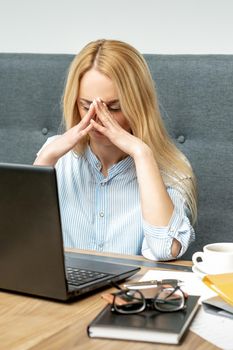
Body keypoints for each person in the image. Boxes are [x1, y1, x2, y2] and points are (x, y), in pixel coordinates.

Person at [34, 39, 197, 261]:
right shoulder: (55, 154)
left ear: (137, 105)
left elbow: (164, 250)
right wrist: (46, 158)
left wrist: (142, 154)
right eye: (86, 106)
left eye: (114, 108)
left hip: (126, 294)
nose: (99, 117)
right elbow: (19, 239)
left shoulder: (171, 167)